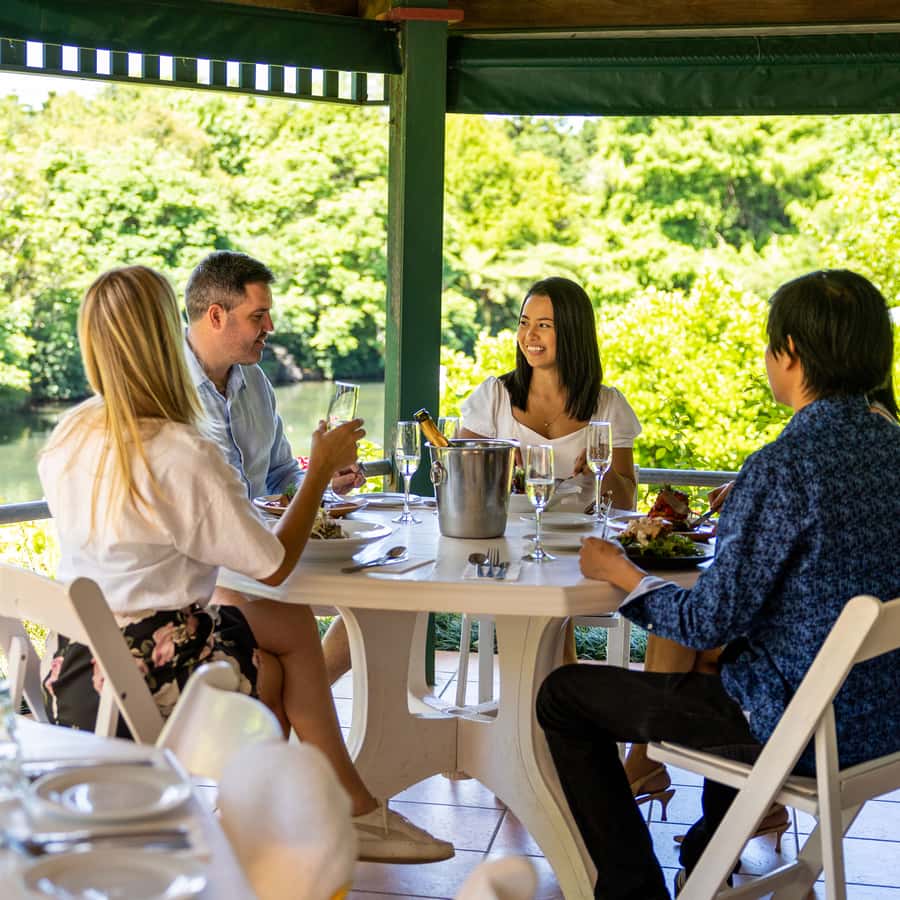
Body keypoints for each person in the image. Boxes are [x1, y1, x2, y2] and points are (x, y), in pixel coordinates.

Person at [39, 265, 453, 865]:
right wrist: (319, 470)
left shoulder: (69, 434)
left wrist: (311, 476)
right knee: (278, 661)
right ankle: (318, 814)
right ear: (164, 336)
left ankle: (302, 815)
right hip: (143, 678)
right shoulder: (180, 450)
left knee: (283, 636)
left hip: (71, 668)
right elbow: (273, 566)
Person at [536, 269, 900, 899]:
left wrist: (622, 573)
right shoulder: (890, 449)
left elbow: (705, 621)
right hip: (885, 720)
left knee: (563, 696)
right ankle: (708, 854)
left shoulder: (783, 467)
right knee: (723, 665)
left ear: (790, 353)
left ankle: (632, 892)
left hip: (802, 728)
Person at [183, 251, 359, 689]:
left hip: (272, 555)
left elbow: (282, 473)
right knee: (286, 641)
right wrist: (315, 477)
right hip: (210, 572)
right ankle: (305, 705)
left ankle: (307, 701)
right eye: (258, 316)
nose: (271, 327)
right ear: (216, 316)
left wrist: (322, 482)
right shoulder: (168, 391)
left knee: (376, 602)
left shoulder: (256, 381)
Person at [459, 276, 640, 511]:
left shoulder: (609, 405)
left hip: (583, 535)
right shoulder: (494, 396)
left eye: (543, 325)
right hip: (506, 533)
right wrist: (496, 462)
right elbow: (458, 482)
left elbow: (625, 504)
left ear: (573, 332)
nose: (529, 335)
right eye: (524, 323)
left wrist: (601, 469)